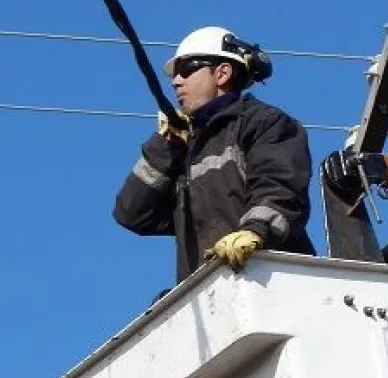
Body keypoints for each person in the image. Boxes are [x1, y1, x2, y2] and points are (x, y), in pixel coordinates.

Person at [113, 26, 316, 283]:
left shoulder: (263, 123)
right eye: (175, 75)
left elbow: (279, 188)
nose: (176, 81)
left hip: (272, 283)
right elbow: (132, 214)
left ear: (222, 73)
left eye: (186, 70)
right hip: (213, 293)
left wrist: (256, 231)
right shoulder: (182, 150)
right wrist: (166, 146)